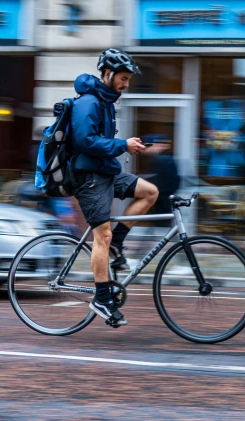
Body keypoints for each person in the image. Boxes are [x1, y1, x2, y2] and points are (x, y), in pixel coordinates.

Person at [70, 48, 159, 327]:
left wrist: (127, 144)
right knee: (102, 237)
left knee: (150, 192)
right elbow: (86, 141)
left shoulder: (107, 102)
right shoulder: (88, 102)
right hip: (88, 178)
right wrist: (123, 145)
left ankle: (118, 245)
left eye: (128, 79)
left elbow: (101, 143)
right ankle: (102, 298)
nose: (126, 84)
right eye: (123, 78)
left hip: (107, 173)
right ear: (107, 74)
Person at [142, 134, 181, 222]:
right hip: (164, 195)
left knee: (161, 220)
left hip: (163, 196)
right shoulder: (162, 158)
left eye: (148, 146)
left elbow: (162, 180)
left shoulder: (162, 159)